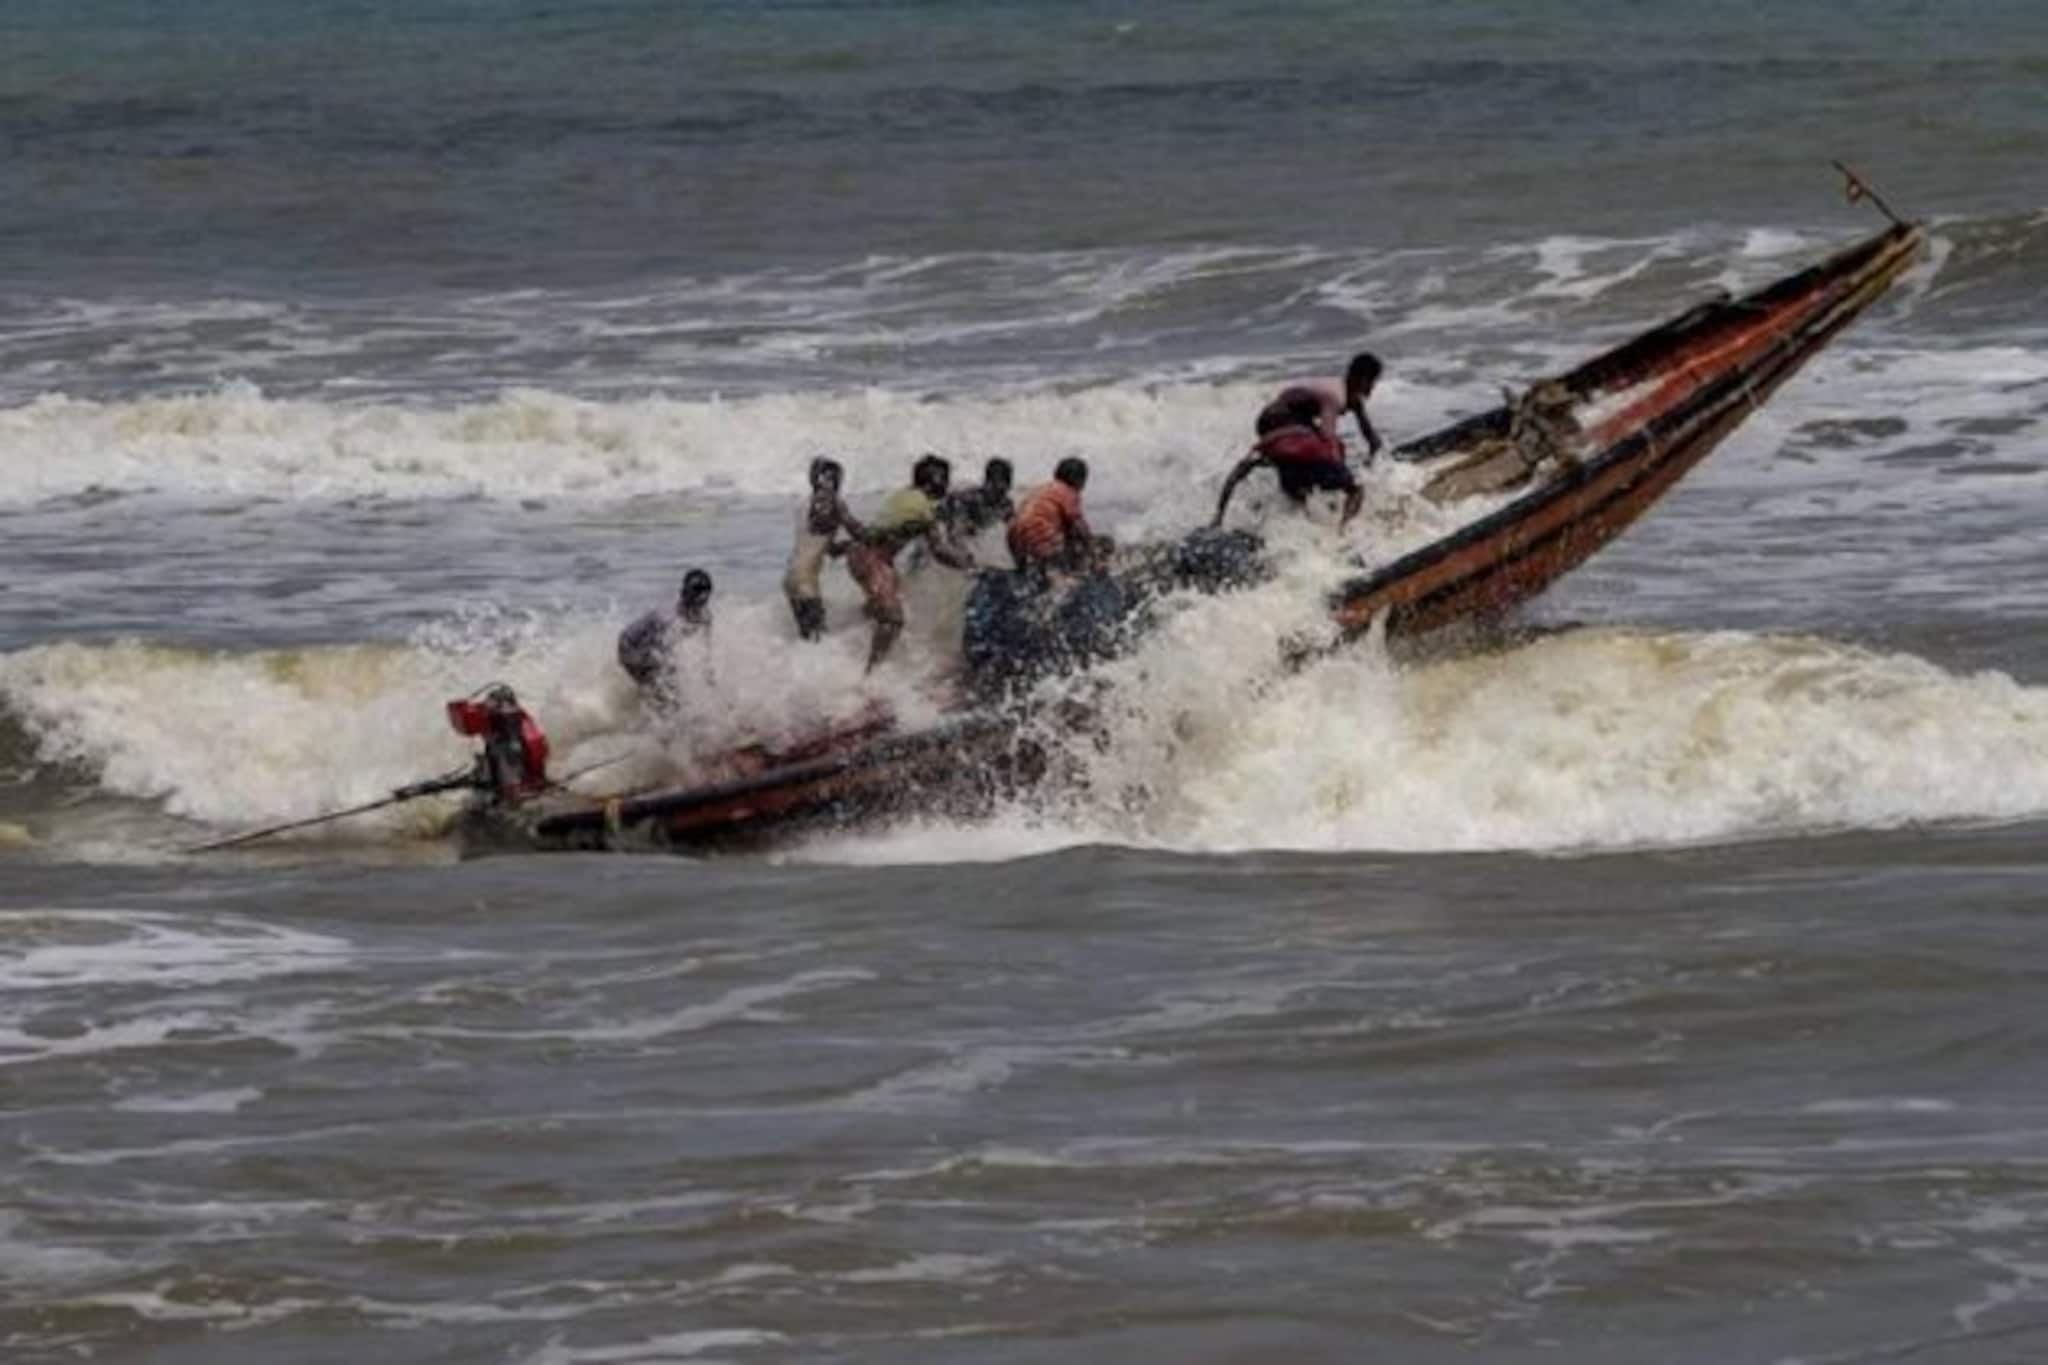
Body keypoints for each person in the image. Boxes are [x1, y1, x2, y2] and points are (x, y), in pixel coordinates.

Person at [844, 455, 976, 671]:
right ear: (933, 481)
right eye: (945, 479)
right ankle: (870, 674)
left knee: (877, 611)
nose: (947, 484)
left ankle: (848, 648)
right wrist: (969, 566)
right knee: (893, 619)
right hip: (871, 558)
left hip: (864, 555)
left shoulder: (905, 495)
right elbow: (939, 551)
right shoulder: (922, 508)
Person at [1212, 385, 1366, 532]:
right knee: (1355, 490)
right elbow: (1334, 450)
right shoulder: (1302, 431)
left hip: (1297, 466)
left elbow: (1236, 474)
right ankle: (1343, 530)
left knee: (1296, 494)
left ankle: (1321, 528)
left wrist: (1218, 517)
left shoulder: (1268, 444)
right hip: (1317, 458)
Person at [784, 457, 864, 641]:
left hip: (790, 579)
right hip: (805, 582)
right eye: (836, 478)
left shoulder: (804, 505)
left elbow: (828, 549)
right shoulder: (833, 501)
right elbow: (858, 530)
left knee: (808, 638)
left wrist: (848, 546)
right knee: (818, 638)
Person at [617, 568, 713, 710]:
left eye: (706, 591)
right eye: (697, 591)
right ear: (685, 592)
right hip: (630, 647)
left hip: (650, 649)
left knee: (668, 687)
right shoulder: (670, 618)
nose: (701, 597)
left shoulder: (705, 617)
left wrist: (709, 679)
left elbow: (706, 652)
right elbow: (661, 654)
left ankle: (648, 707)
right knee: (668, 694)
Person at [1007, 457, 1094, 577]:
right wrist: (1091, 547)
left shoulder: (1042, 489)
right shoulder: (1068, 492)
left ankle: (1023, 572)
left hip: (1014, 530)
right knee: (1057, 567)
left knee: (1027, 571)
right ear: (1079, 480)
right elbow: (1078, 523)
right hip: (1039, 527)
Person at [940, 457, 1016, 540]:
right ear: (989, 482)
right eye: (1001, 483)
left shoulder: (1006, 504)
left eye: (1007, 483)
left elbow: (1011, 527)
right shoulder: (967, 500)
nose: (1005, 488)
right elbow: (956, 531)